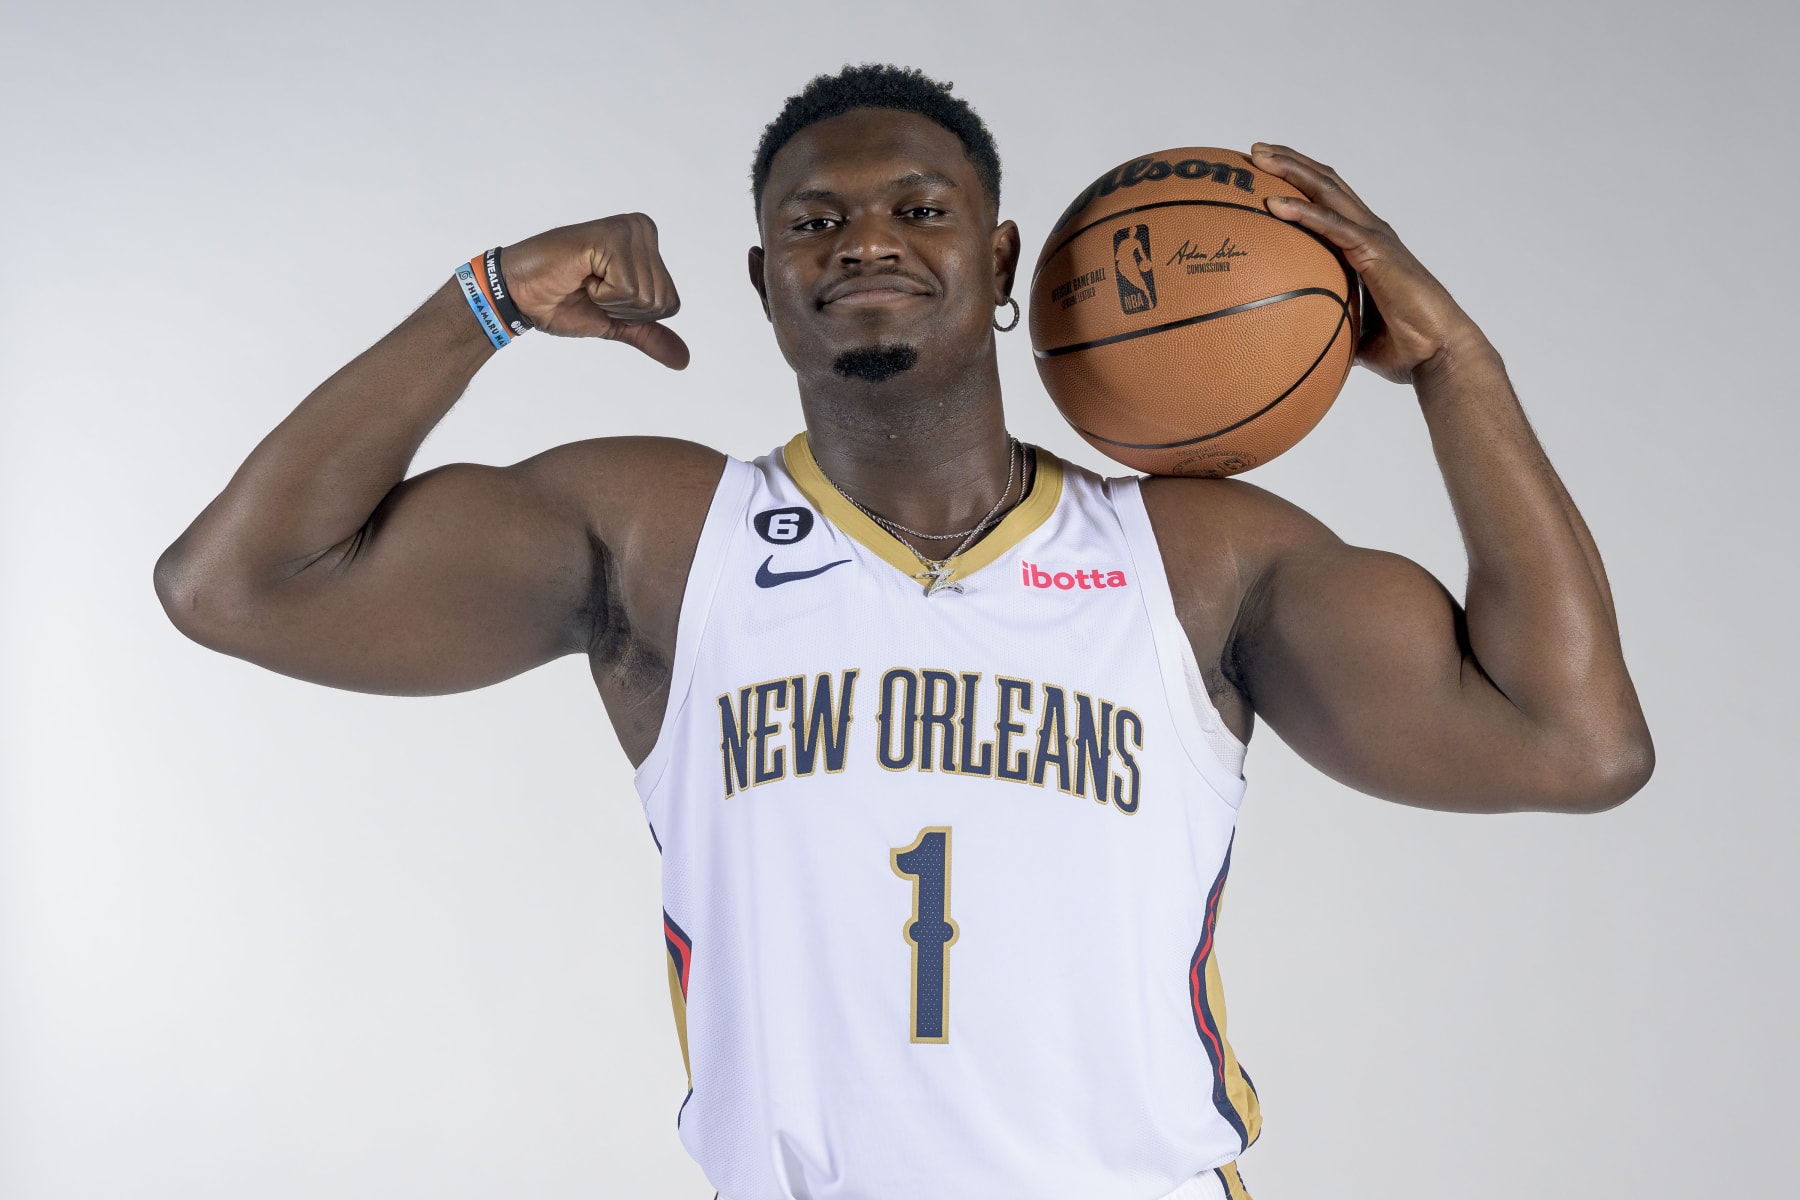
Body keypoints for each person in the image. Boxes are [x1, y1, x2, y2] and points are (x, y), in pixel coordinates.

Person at [154, 64, 1652, 1200]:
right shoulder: (667, 538)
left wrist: (1457, 361)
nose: (867, 238)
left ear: (1002, 266)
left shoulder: (1192, 555)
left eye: (922, 210)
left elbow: (1571, 739)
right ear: (765, 283)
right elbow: (236, 586)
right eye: (815, 221)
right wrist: (480, 302)